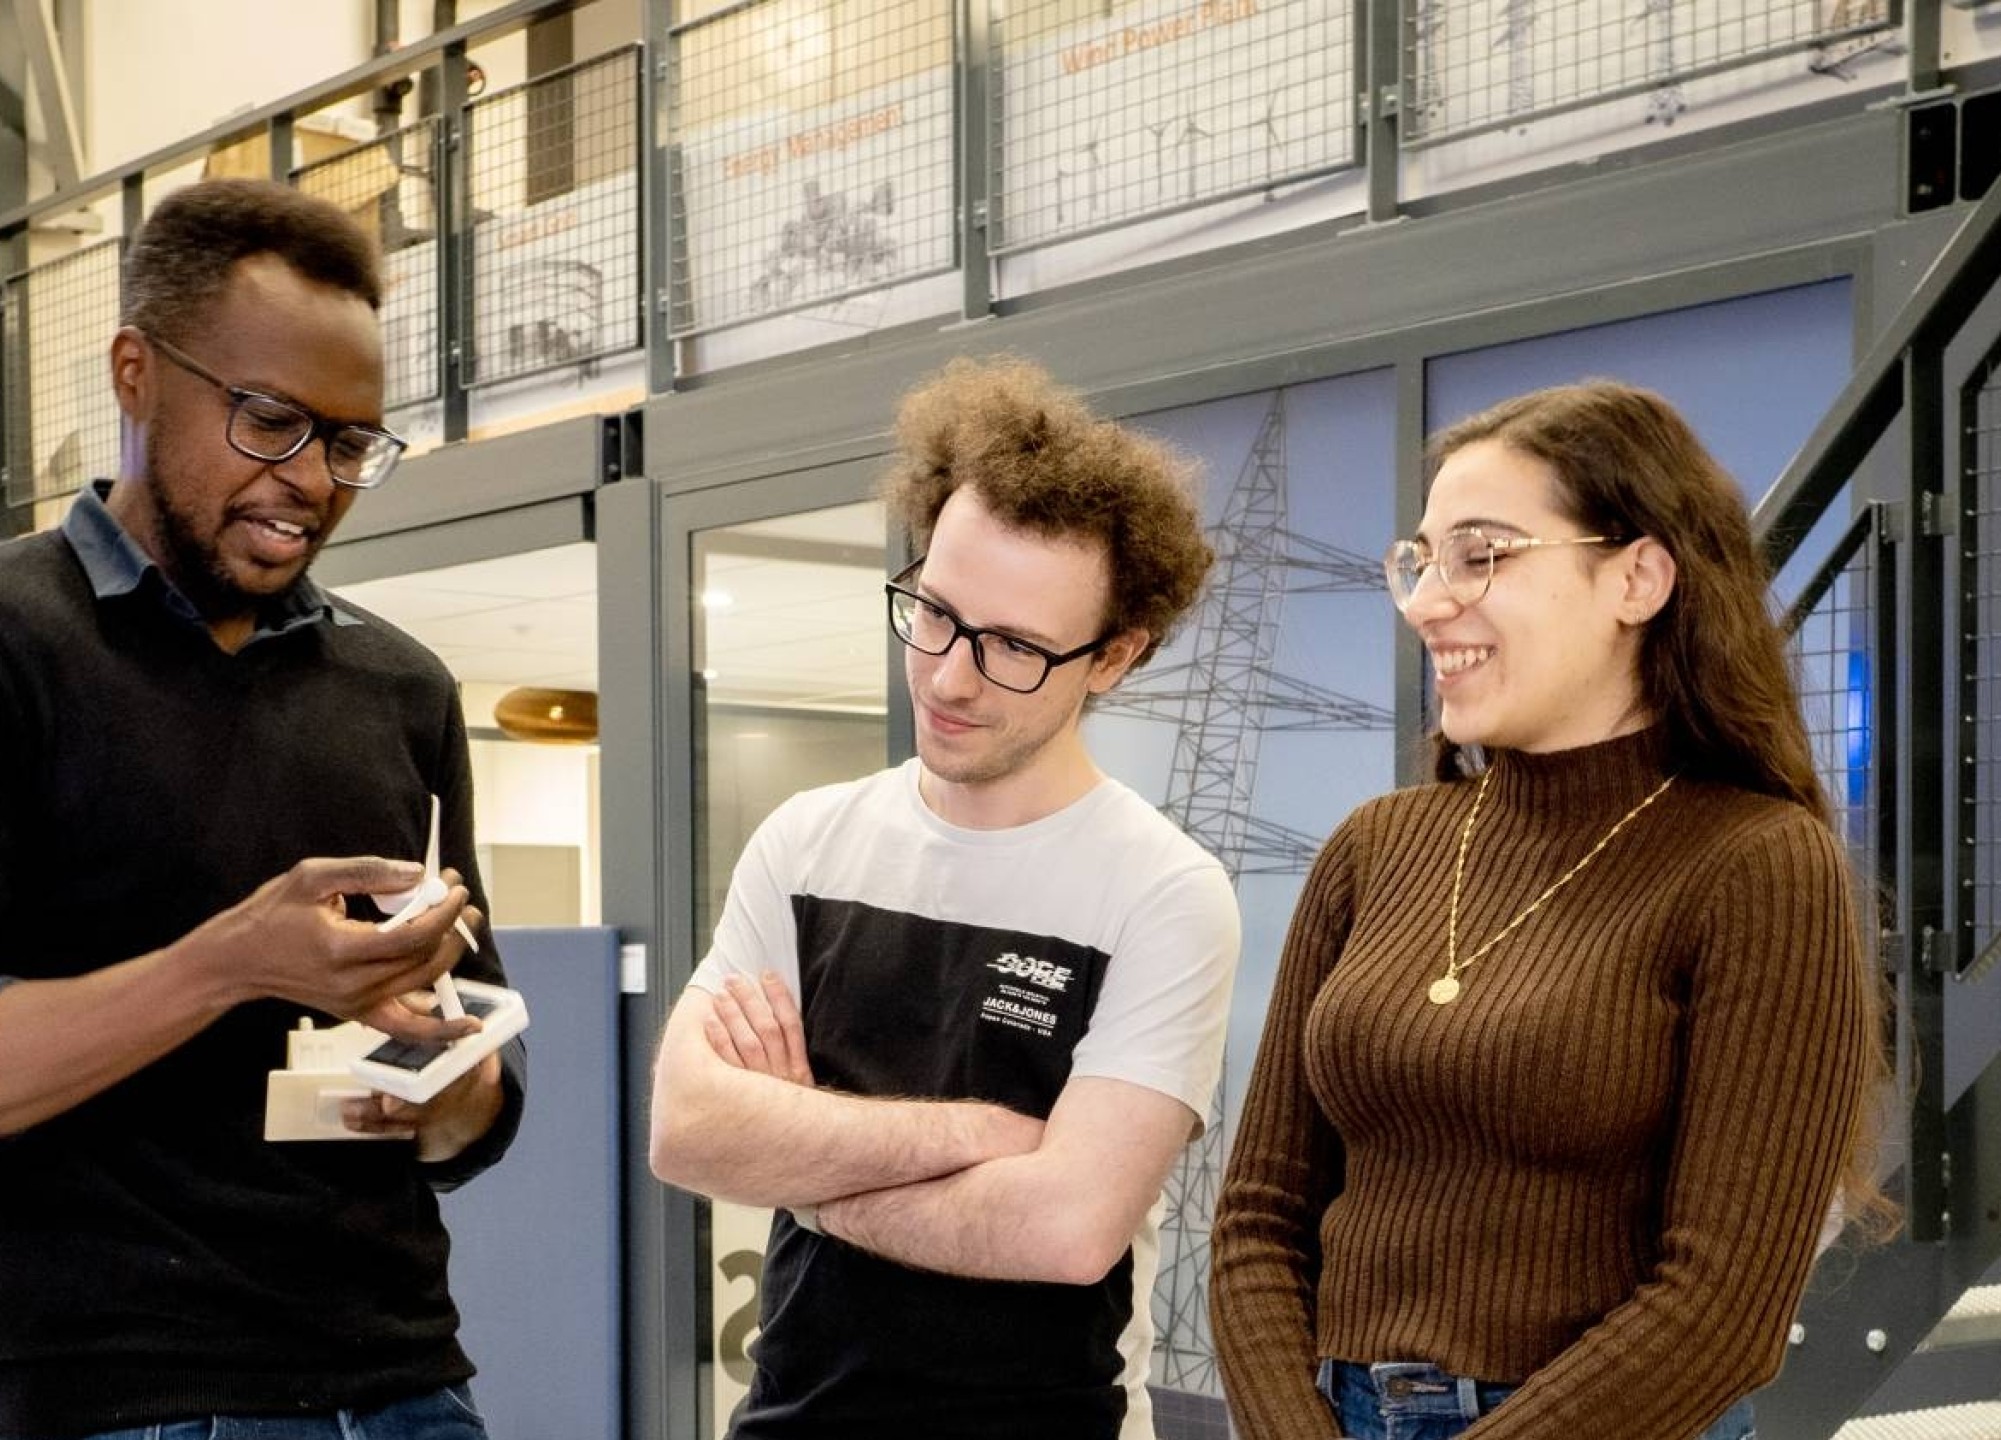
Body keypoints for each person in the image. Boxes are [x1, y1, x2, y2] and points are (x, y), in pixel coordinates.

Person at [1209, 380, 1892, 1440]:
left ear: (1638, 576)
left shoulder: (1755, 864)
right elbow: (1259, 1219)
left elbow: (1723, 1309)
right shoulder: (1375, 846)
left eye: (1481, 554)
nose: (1430, 600)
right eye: (1422, 560)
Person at [0, 179, 525, 1440]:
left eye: (350, 443)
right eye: (273, 422)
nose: (313, 482)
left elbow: (483, 1099)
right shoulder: (18, 645)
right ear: (136, 373)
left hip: (410, 1389)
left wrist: (437, 1079)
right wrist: (232, 966)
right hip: (122, 1397)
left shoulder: (401, 686)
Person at [649, 355, 1242, 1440]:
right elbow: (689, 1133)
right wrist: (975, 1135)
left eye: (1014, 646)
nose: (949, 677)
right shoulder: (807, 842)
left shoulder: (1162, 892)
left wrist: (800, 1159)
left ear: (1113, 656)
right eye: (935, 613)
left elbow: (1065, 1231)